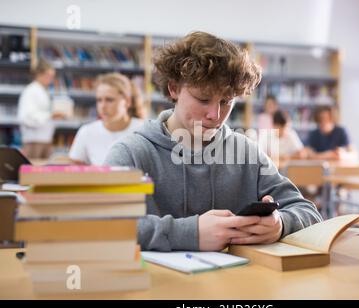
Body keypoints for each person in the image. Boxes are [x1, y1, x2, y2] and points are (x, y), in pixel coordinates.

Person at [104, 31, 322, 252]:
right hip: (160, 286)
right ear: (174, 88)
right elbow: (103, 226)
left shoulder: (246, 152)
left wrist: (281, 224)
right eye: (203, 99)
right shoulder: (130, 153)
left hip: (241, 285)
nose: (215, 115)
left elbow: (308, 211)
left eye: (226, 101)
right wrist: (190, 233)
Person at [69, 73, 145, 165]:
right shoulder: (87, 132)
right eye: (99, 100)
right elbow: (75, 170)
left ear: (127, 102)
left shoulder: (144, 131)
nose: (103, 106)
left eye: (109, 100)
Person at [17, 59, 61, 159]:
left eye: (52, 77)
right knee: (32, 172)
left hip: (46, 140)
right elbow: (26, 117)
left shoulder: (43, 91)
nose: (51, 80)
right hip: (33, 141)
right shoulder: (30, 91)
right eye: (48, 76)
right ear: (39, 74)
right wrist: (50, 115)